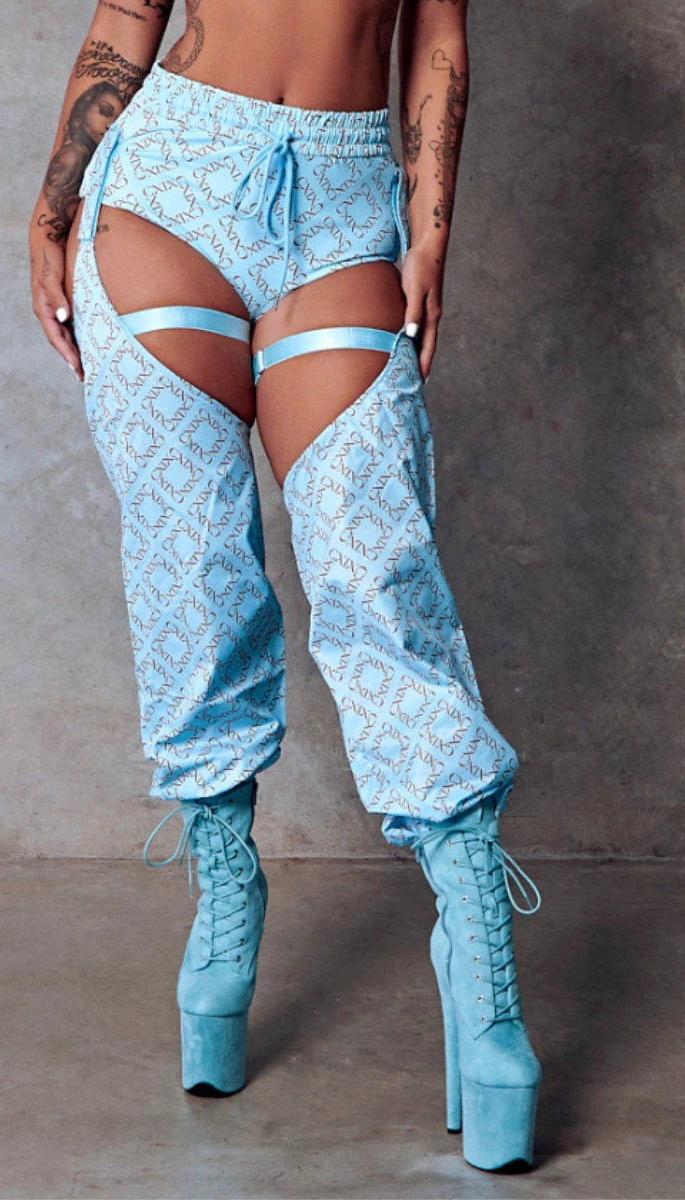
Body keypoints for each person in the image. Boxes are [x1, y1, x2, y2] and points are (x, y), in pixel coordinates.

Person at [29, 0, 543, 1172]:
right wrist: (53, 206)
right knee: (191, 577)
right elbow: (129, 15)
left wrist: (429, 235)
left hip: (347, 199)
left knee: (379, 580)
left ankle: (476, 956)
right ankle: (224, 887)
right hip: (165, 187)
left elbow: (437, 32)